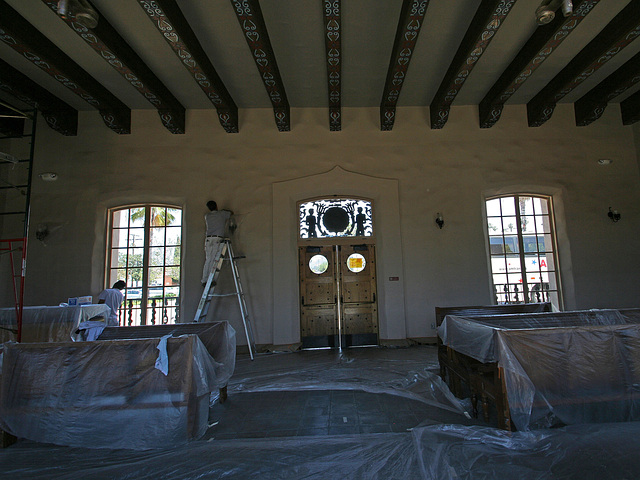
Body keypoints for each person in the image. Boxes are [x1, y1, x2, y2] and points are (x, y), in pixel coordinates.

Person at [202, 200, 233, 285]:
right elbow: (231, 213)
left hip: (208, 240)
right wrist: (224, 210)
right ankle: (210, 280)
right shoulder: (221, 214)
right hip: (217, 239)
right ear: (216, 206)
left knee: (208, 259)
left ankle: (204, 280)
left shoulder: (207, 216)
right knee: (214, 260)